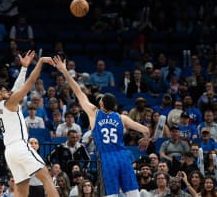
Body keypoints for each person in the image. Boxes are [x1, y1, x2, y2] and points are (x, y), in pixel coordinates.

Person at [53, 55, 150, 196]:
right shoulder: (121, 117)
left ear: (102, 103)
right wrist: (146, 138)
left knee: (111, 194)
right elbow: (146, 130)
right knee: (133, 193)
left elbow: (78, 91)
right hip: (123, 156)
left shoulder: (94, 114)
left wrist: (64, 71)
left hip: (107, 158)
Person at [0, 50, 59, 197]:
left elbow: (16, 88)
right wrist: (40, 62)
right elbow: (27, 85)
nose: (5, 90)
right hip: (20, 145)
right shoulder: (8, 103)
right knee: (46, 178)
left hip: (10, 152)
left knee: (22, 190)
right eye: (2, 90)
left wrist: (24, 67)